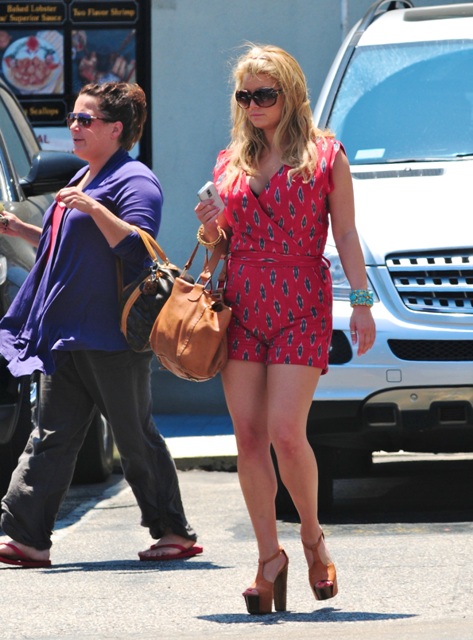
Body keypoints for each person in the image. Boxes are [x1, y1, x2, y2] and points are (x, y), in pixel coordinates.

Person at [194, 44, 375, 614]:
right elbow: (221, 245)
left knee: (285, 433)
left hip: (301, 301)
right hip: (242, 303)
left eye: (264, 94)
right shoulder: (230, 161)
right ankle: (268, 558)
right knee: (248, 437)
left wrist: (362, 302)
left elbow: (346, 234)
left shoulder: (326, 156)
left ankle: (313, 538)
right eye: (244, 95)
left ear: (290, 94)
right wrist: (209, 228)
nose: (252, 104)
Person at [0, 81, 202, 567]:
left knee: (134, 438)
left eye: (85, 119)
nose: (73, 126)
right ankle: (25, 537)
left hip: (112, 338)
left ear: (116, 128)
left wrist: (93, 208)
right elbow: (68, 247)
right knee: (50, 437)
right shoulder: (84, 176)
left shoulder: (134, 180)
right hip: (67, 335)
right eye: (72, 117)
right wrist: (20, 229)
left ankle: (172, 530)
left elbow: (139, 248)